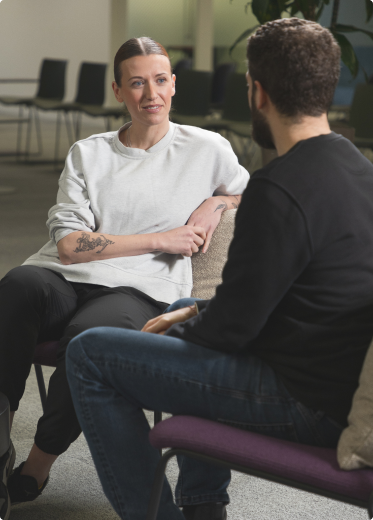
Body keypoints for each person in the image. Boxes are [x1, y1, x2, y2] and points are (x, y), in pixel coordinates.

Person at [66, 18, 373, 520]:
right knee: (188, 307)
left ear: (258, 93)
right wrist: (188, 314)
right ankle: (204, 506)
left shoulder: (278, 188)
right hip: (335, 373)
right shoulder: (359, 170)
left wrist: (188, 324)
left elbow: (230, 329)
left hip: (305, 400)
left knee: (89, 354)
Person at [0, 37, 249, 515]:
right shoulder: (88, 153)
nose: (150, 94)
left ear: (173, 85)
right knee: (15, 286)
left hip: (141, 287)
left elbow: (249, 192)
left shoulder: (207, 147)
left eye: (159, 80)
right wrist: (163, 238)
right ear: (118, 90)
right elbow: (71, 246)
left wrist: (216, 201)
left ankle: (36, 463)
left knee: (88, 338)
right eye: (136, 83)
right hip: (62, 275)